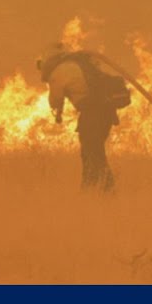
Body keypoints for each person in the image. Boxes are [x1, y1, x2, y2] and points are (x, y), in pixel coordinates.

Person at [37, 43, 119, 192]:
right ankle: (96, 186)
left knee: (91, 152)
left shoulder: (58, 72)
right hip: (106, 112)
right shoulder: (78, 64)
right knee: (94, 150)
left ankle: (102, 188)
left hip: (92, 113)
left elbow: (55, 101)